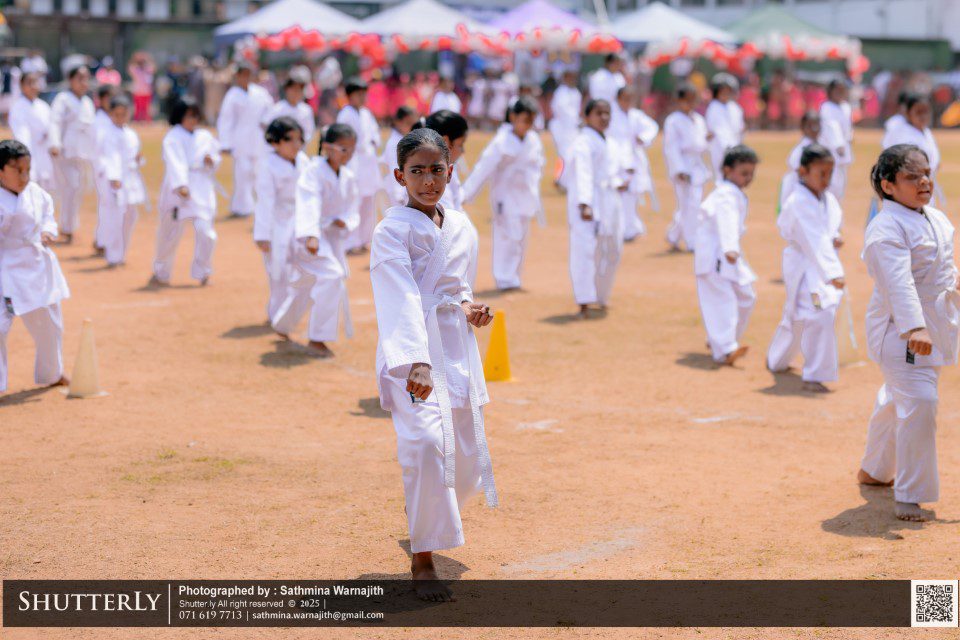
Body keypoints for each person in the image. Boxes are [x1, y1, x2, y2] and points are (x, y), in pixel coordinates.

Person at [370, 127, 497, 602]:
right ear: (399, 176)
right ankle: (422, 559)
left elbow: (458, 287)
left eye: (436, 170)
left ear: (450, 171)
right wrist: (415, 362)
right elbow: (399, 297)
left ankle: (423, 515)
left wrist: (470, 309)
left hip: (456, 347)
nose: (428, 181)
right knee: (425, 446)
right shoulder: (390, 231)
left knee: (462, 455)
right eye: (417, 171)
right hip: (413, 354)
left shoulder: (461, 226)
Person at [857, 144, 959, 523]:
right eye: (912, 176)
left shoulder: (935, 217)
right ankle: (909, 495)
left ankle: (874, 470)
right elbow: (898, 282)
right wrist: (914, 326)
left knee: (896, 398)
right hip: (900, 332)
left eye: (926, 173)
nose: (924, 181)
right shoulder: (885, 228)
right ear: (888, 185)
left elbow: (943, 269)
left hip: (936, 327)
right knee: (920, 401)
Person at [272, 123, 358, 356]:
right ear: (328, 148)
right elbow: (308, 202)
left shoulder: (348, 176)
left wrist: (346, 221)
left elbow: (352, 209)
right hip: (308, 237)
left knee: (306, 283)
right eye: (344, 149)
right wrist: (310, 235)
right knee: (332, 275)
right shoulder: (313, 171)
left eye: (352, 149)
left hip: (329, 237)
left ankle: (282, 325)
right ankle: (318, 338)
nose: (349, 154)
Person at [766, 144, 845, 393]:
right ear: (803, 172)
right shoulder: (798, 202)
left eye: (830, 173)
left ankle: (776, 360)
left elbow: (826, 230)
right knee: (820, 314)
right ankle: (814, 375)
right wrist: (833, 273)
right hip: (805, 269)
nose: (826, 179)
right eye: (821, 173)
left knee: (798, 315)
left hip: (816, 267)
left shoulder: (827, 199)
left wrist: (835, 236)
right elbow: (814, 239)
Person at [0, 139, 70, 393]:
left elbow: (48, 216)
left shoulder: (36, 193)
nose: (24, 176)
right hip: (4, 266)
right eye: (17, 170)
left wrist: (49, 231)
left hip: (35, 264)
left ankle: (52, 373)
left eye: (27, 170)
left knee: (50, 324)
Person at [462, 96, 544, 291]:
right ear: (513, 117)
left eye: (531, 121)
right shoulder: (501, 142)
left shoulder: (533, 140)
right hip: (505, 195)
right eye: (525, 120)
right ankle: (504, 278)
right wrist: (465, 194)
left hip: (525, 195)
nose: (528, 125)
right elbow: (483, 168)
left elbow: (538, 167)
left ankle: (514, 277)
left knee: (521, 237)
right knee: (507, 236)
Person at [694, 145, 758, 366]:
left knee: (746, 296)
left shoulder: (733, 193)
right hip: (716, 256)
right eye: (743, 173)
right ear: (727, 170)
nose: (748, 178)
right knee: (722, 300)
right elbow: (727, 220)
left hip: (729, 256)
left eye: (751, 174)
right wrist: (730, 247)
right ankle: (724, 349)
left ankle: (721, 340)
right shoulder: (726, 194)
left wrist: (732, 250)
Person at [151, 97, 221, 286]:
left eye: (195, 115)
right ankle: (161, 272)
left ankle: (202, 271)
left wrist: (211, 161)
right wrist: (181, 184)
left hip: (201, 187)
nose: (193, 120)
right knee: (169, 234)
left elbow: (215, 156)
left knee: (206, 232)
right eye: (189, 116)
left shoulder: (205, 136)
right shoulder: (173, 137)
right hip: (178, 190)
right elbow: (175, 162)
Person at [564, 99, 624, 319]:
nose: (604, 117)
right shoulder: (583, 142)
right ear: (587, 116)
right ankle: (584, 300)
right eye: (599, 113)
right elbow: (583, 173)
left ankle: (601, 295)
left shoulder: (611, 142)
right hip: (588, 202)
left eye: (607, 113)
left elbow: (615, 170)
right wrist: (585, 203)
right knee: (584, 251)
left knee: (613, 249)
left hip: (610, 200)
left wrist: (621, 181)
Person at [253, 117, 309, 326]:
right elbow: (265, 201)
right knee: (279, 272)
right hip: (277, 222)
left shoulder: (303, 160)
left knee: (303, 269)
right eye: (289, 139)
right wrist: (263, 235)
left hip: (300, 219)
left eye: (299, 139)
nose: (295, 144)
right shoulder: (268, 165)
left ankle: (291, 314)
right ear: (275, 141)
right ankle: (277, 315)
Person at [414, 110, 479, 285]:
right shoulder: (430, 178)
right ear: (445, 141)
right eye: (460, 144)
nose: (463, 151)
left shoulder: (448, 169)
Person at [216, 62, 274, 218]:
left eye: (248, 74)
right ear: (237, 76)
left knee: (259, 173)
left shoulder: (260, 93)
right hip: (240, 139)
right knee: (242, 173)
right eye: (243, 75)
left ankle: (261, 205)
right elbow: (226, 120)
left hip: (258, 138)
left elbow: (270, 109)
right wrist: (225, 142)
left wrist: (266, 121)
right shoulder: (232, 95)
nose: (246, 78)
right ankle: (241, 207)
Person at [48, 64, 96, 244]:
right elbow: (55, 122)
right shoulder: (63, 99)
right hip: (65, 152)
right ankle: (65, 227)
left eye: (86, 78)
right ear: (70, 80)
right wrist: (55, 143)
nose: (84, 82)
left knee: (77, 190)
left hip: (83, 153)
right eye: (80, 78)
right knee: (70, 188)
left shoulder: (87, 102)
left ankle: (69, 226)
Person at [95, 94, 142, 267]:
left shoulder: (131, 134)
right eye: (117, 114)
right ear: (111, 114)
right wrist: (114, 177)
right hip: (115, 181)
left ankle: (121, 252)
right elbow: (109, 157)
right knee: (115, 217)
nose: (121, 117)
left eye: (124, 114)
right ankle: (113, 254)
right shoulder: (107, 134)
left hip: (130, 179)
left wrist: (138, 160)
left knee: (131, 215)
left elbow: (134, 156)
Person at [663, 83, 709, 252]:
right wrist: (679, 169)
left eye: (694, 100)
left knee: (693, 204)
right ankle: (691, 241)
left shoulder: (699, 119)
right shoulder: (673, 121)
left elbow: (700, 143)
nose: (691, 104)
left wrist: (706, 140)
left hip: (697, 164)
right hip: (683, 164)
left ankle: (673, 235)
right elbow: (671, 147)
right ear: (679, 100)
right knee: (688, 204)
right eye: (687, 100)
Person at [336, 78, 381, 254]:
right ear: (349, 96)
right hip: (353, 163)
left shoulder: (366, 114)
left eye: (364, 94)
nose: (362, 97)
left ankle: (365, 239)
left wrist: (373, 142)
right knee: (353, 203)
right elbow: (342, 141)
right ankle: (350, 242)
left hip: (368, 163)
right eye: (358, 94)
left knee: (368, 203)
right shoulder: (345, 115)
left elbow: (375, 134)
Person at [609, 86, 659, 242]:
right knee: (619, 193)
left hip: (634, 159)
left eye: (630, 99)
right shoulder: (611, 115)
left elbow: (652, 127)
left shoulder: (636, 115)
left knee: (632, 193)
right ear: (618, 99)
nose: (628, 102)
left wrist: (643, 137)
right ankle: (623, 227)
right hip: (616, 159)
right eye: (625, 98)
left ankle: (630, 225)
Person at [880, 93, 942, 205]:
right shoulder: (903, 135)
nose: (923, 116)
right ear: (908, 114)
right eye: (918, 112)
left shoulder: (926, 131)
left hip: (927, 185)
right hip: (911, 190)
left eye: (926, 111)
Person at [8, 73, 55, 194]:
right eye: (29, 83)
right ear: (22, 86)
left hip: (44, 154)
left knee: (45, 192)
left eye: (36, 82)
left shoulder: (43, 106)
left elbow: (51, 128)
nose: (33, 86)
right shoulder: (18, 107)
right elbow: (21, 135)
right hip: (28, 154)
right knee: (29, 192)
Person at [262, 67, 316, 148]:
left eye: (299, 89)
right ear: (286, 89)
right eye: (293, 89)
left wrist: (298, 143)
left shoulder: (306, 110)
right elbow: (265, 125)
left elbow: (309, 132)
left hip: (299, 149)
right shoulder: (277, 109)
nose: (296, 92)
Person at [705, 73, 745, 180]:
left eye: (728, 91)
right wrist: (728, 149)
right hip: (720, 148)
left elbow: (739, 129)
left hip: (735, 147)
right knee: (721, 176)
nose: (725, 94)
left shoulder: (735, 108)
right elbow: (718, 131)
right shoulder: (713, 108)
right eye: (722, 91)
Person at [779, 111, 821, 210]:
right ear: (803, 127)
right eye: (810, 126)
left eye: (817, 126)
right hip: (795, 190)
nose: (814, 129)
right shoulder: (802, 149)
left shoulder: (816, 146)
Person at [819, 79, 853, 201]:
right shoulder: (827, 107)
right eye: (837, 90)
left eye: (843, 90)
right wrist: (839, 145)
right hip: (831, 149)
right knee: (832, 184)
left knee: (841, 184)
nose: (840, 93)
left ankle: (836, 208)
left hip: (844, 149)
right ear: (830, 91)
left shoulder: (846, 107)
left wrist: (849, 137)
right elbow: (832, 127)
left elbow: (847, 127)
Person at [380, 106, 419, 209]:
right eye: (408, 123)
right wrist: (399, 194)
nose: (412, 127)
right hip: (398, 190)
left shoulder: (408, 139)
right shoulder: (394, 143)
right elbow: (394, 167)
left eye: (414, 124)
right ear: (398, 122)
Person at [548, 69, 582, 187]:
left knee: (572, 154)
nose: (573, 80)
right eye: (570, 77)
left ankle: (564, 180)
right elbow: (563, 111)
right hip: (561, 128)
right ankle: (561, 180)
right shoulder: (561, 92)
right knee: (565, 154)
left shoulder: (576, 92)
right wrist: (577, 121)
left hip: (572, 129)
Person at [128, 52, 155, 122]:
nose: (142, 63)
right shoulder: (135, 69)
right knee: (138, 109)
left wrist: (147, 58)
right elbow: (130, 67)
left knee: (147, 109)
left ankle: (147, 122)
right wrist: (135, 59)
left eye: (142, 61)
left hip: (147, 92)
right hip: (138, 92)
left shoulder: (147, 69)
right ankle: (137, 121)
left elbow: (153, 67)